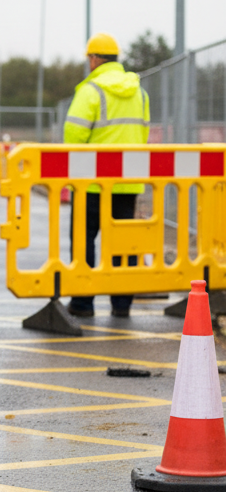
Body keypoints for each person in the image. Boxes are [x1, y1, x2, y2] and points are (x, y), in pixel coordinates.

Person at [64, 32, 150, 318]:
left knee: (84, 240)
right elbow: (143, 133)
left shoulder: (91, 91)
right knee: (123, 244)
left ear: (93, 59)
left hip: (92, 184)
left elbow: (73, 136)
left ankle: (83, 303)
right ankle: (122, 305)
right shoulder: (139, 92)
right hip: (128, 184)